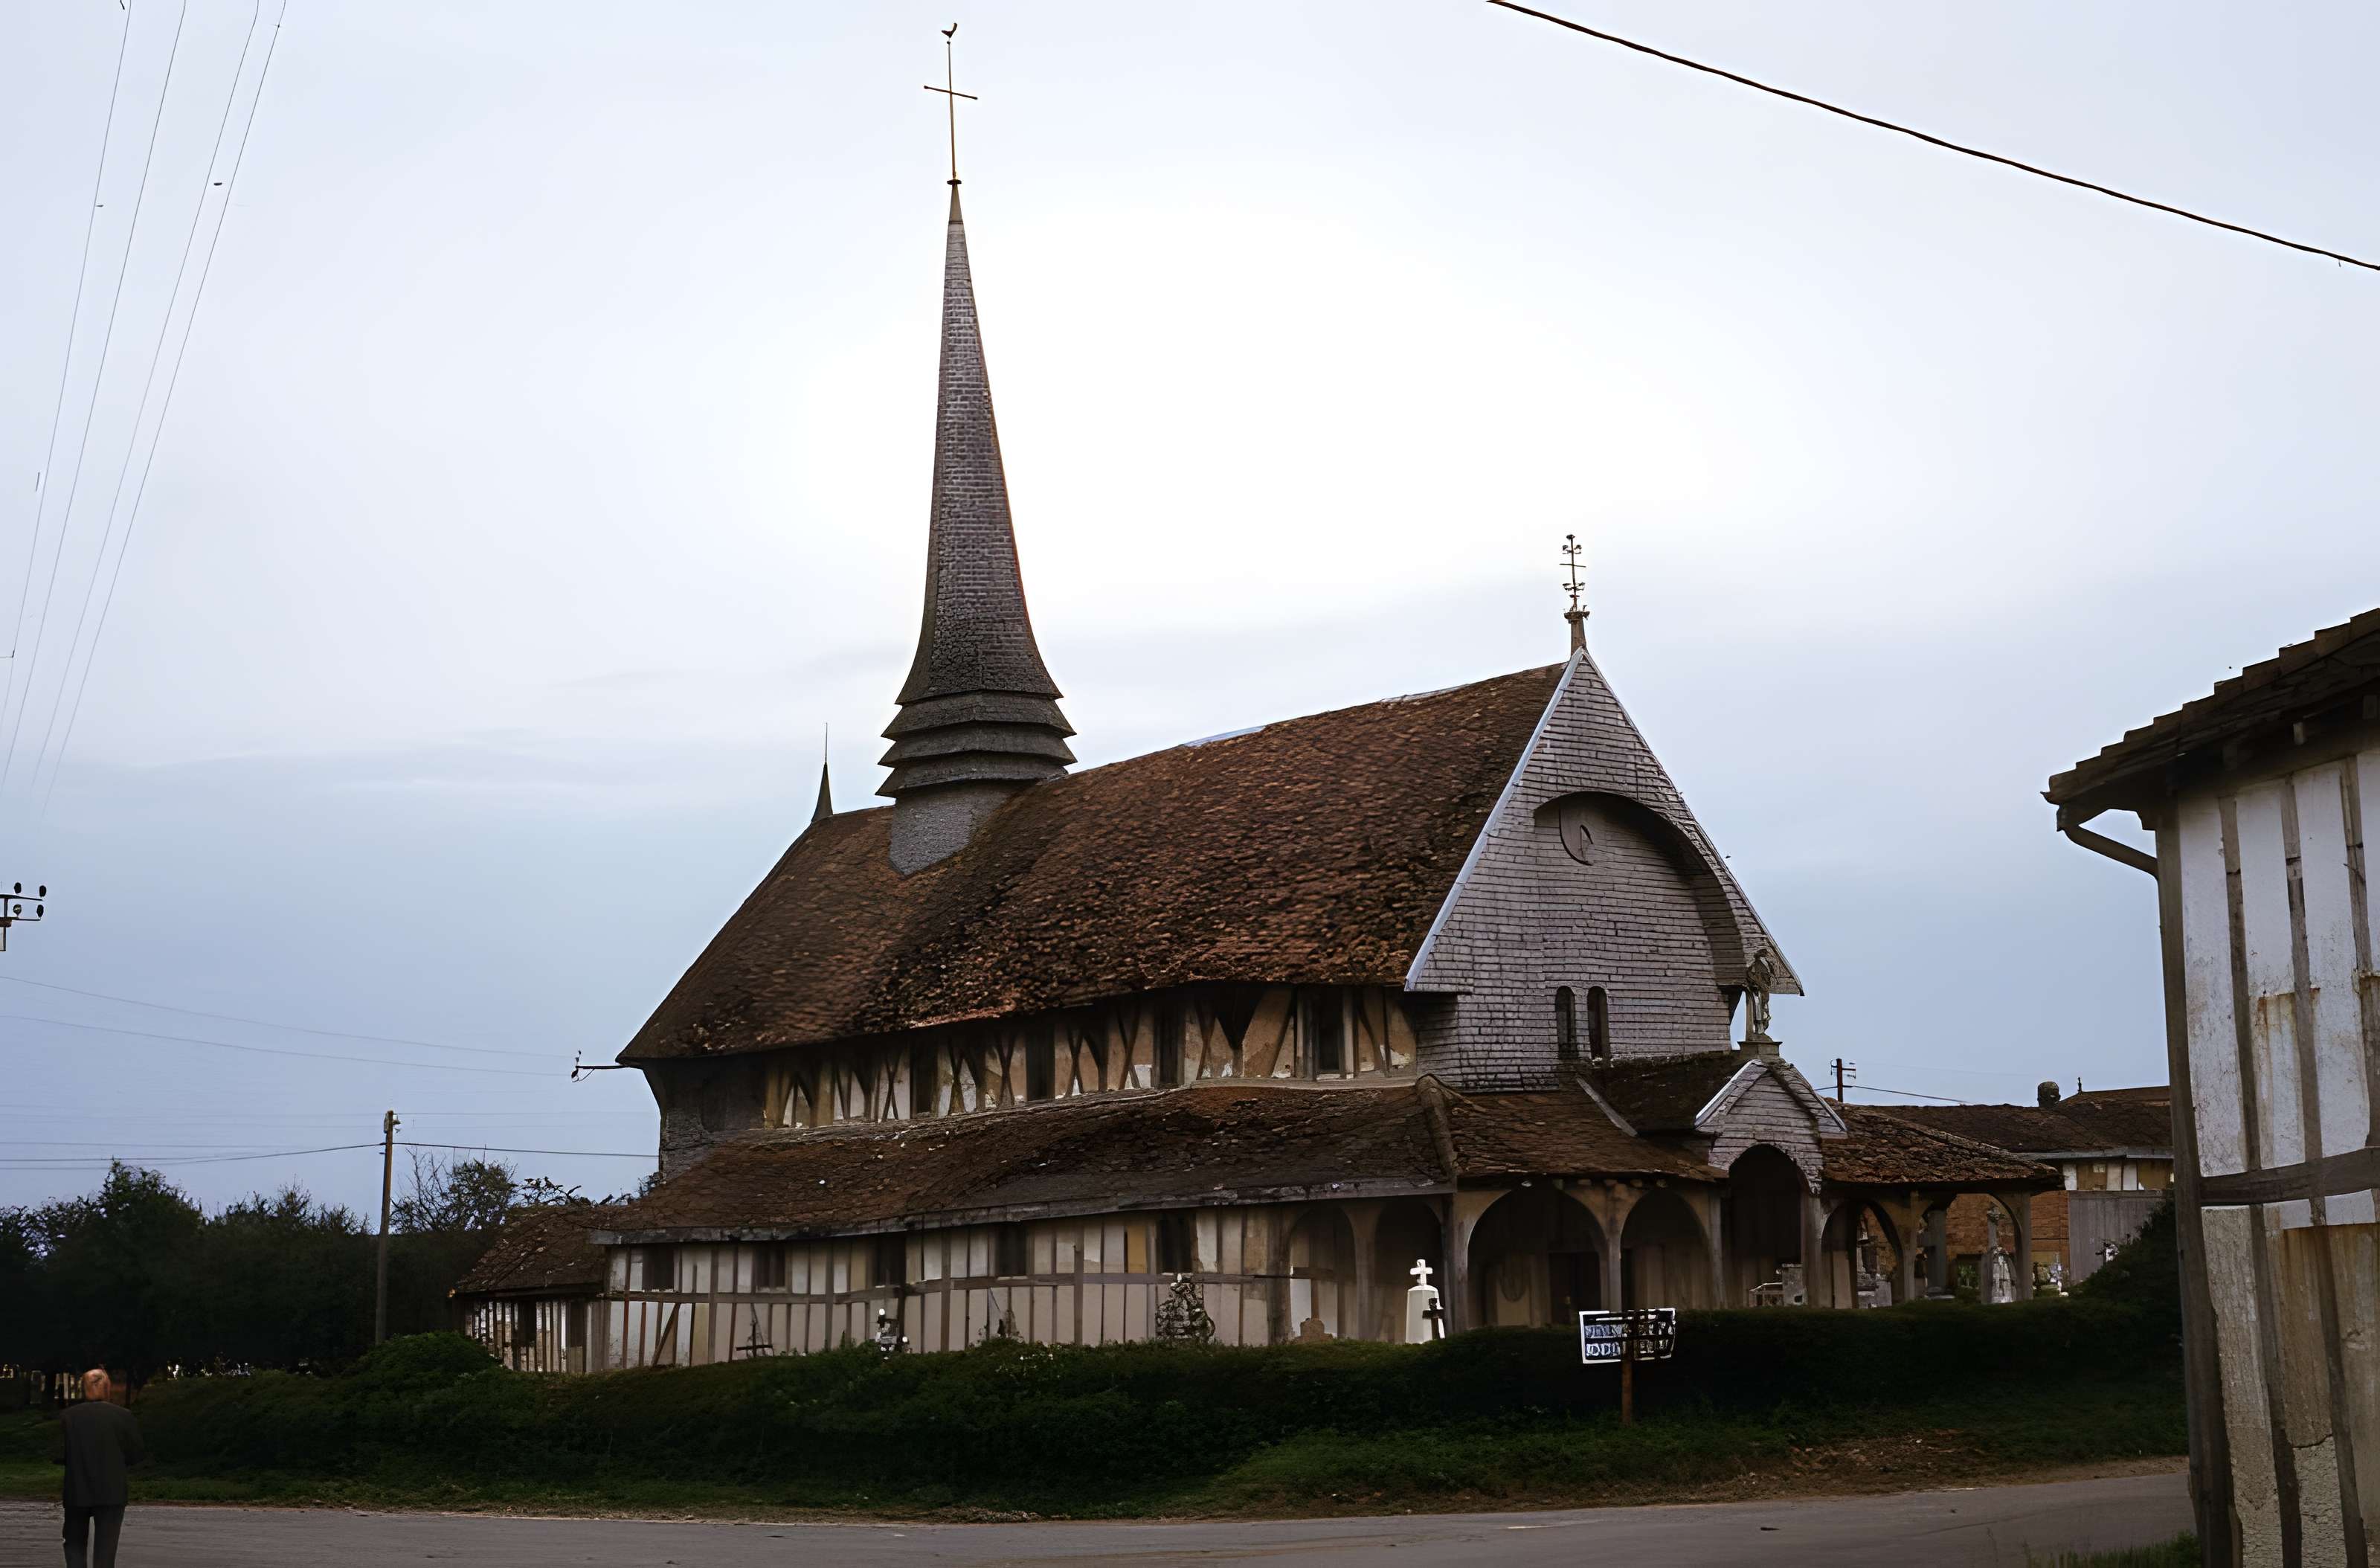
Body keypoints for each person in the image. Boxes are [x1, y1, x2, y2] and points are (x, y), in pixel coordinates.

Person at [59, 1369, 143, 1568]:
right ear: (107, 1388)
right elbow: (136, 1455)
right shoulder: (124, 1416)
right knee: (106, 1549)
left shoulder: (68, 1416)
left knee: (75, 1545)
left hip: (77, 1490)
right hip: (112, 1492)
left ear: (84, 1389)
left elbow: (59, 1455)